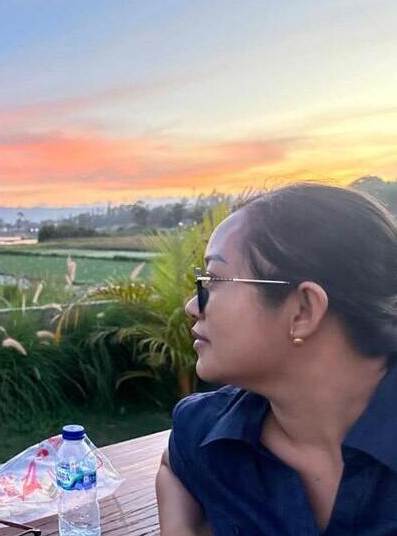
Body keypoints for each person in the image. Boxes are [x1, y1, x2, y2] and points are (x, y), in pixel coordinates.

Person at [155, 183, 397, 535]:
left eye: (215, 279)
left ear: (303, 310)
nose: (192, 306)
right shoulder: (206, 432)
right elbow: (172, 466)